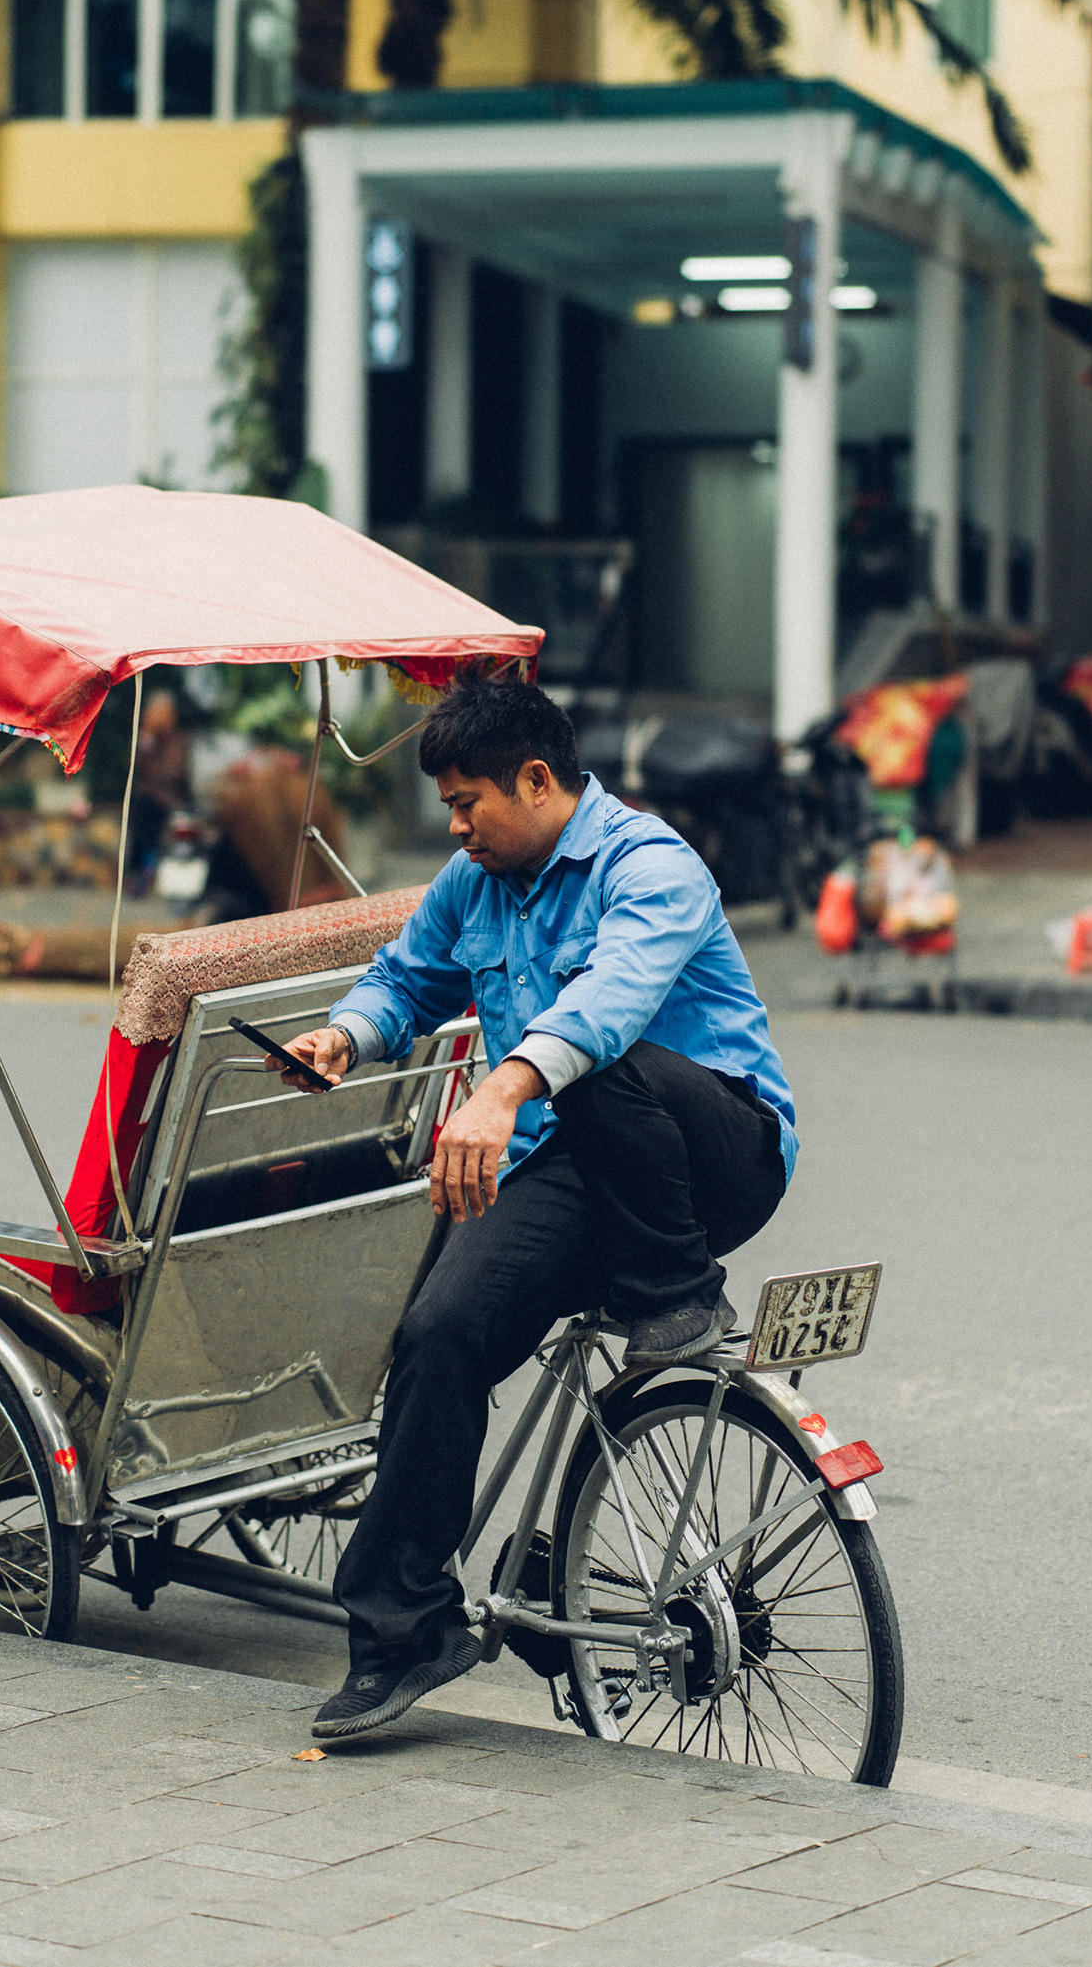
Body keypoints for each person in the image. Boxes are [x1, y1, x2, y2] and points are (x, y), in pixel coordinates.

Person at [271, 676, 796, 1744]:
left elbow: (609, 1002)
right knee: (438, 1335)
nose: (456, 826)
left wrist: (504, 1085)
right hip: (569, 1167)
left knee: (588, 1060)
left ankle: (678, 1298)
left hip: (713, 1153)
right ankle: (406, 1629)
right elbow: (405, 978)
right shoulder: (474, 882)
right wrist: (347, 1035)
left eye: (469, 801)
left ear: (539, 778)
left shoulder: (648, 864)